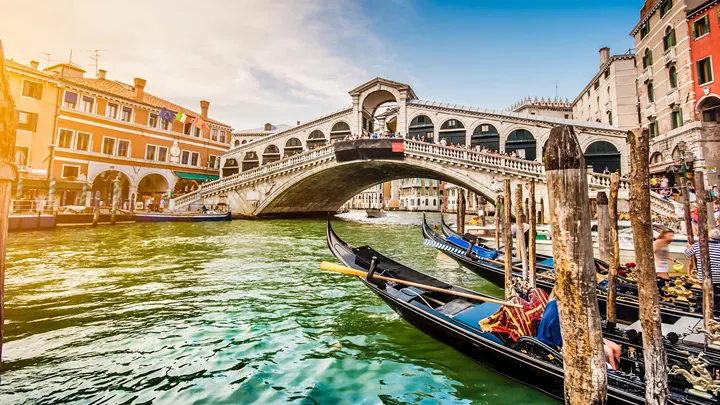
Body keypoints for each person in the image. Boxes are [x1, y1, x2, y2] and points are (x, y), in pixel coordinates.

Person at [537, 297, 622, 369]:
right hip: (552, 346)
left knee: (615, 349)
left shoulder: (552, 304)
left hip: (573, 338)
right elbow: (562, 344)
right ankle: (613, 372)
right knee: (610, 352)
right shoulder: (557, 318)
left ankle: (615, 371)